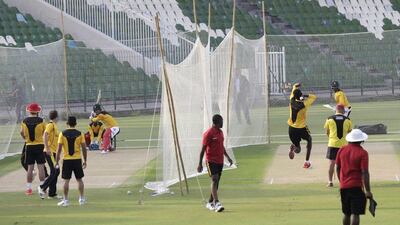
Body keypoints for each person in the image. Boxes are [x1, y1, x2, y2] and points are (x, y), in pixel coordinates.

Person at [197, 114, 233, 213]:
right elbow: (202, 150)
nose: (222, 123)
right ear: (216, 122)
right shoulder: (208, 133)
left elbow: (222, 147)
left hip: (220, 161)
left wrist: (228, 158)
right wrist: (200, 164)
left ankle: (209, 202)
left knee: (216, 183)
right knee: (214, 178)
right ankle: (217, 202)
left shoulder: (221, 133)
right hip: (210, 160)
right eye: (221, 121)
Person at [336, 129, 372, 225]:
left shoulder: (341, 150)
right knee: (355, 214)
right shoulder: (363, 153)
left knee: (346, 213)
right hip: (356, 186)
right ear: (361, 140)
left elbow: (338, 168)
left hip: (344, 187)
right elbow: (365, 172)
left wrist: (342, 182)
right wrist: (368, 190)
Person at [55, 116, 87, 207]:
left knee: (66, 181)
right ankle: (81, 199)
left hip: (67, 160)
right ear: (76, 124)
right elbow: (84, 148)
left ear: (67, 124)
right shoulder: (80, 134)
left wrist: (56, 161)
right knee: (79, 179)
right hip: (77, 159)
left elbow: (59, 149)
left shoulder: (62, 133)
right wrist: (85, 160)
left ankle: (65, 200)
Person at [20, 102, 46, 195]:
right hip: (39, 145)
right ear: (37, 111)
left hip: (29, 146)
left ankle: (29, 189)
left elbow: (21, 132)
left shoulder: (24, 121)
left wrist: (26, 139)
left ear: (29, 111)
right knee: (41, 167)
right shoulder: (42, 121)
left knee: (30, 168)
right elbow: (45, 133)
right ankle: (43, 187)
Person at [324, 104, 352, 187]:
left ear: (336, 110)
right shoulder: (348, 120)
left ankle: (330, 182)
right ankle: (344, 181)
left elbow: (327, 132)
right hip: (344, 145)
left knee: (331, 163)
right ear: (343, 110)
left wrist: (332, 138)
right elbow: (349, 133)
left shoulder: (329, 119)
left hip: (332, 144)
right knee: (343, 164)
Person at [287, 89, 316, 169]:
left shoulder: (291, 101)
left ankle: (294, 148)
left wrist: (295, 87)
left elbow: (293, 91)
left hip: (291, 128)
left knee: (298, 150)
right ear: (300, 96)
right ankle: (306, 162)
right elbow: (314, 97)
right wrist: (305, 96)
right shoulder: (305, 103)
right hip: (301, 128)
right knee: (309, 139)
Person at [38, 110, 61, 199]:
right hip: (49, 151)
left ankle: (52, 193)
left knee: (56, 171)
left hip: (54, 152)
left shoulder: (54, 125)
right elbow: (45, 135)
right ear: (56, 117)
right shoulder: (50, 125)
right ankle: (42, 187)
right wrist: (47, 148)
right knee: (55, 171)